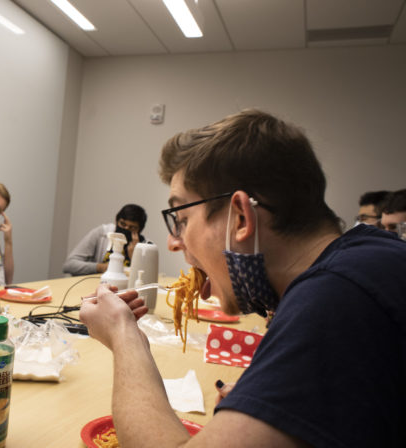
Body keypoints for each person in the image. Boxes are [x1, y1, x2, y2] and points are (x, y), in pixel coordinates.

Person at [80, 109, 406, 447]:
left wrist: (122, 333)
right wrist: (262, 403)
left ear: (240, 218)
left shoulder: (339, 297)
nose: (174, 242)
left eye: (182, 218)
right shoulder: (367, 261)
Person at [63, 204, 149, 276]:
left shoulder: (145, 245)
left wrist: (135, 258)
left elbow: (147, 278)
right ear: (116, 221)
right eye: (122, 224)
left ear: (140, 230)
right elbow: (69, 265)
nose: (126, 229)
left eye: (132, 227)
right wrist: (102, 267)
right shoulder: (101, 234)